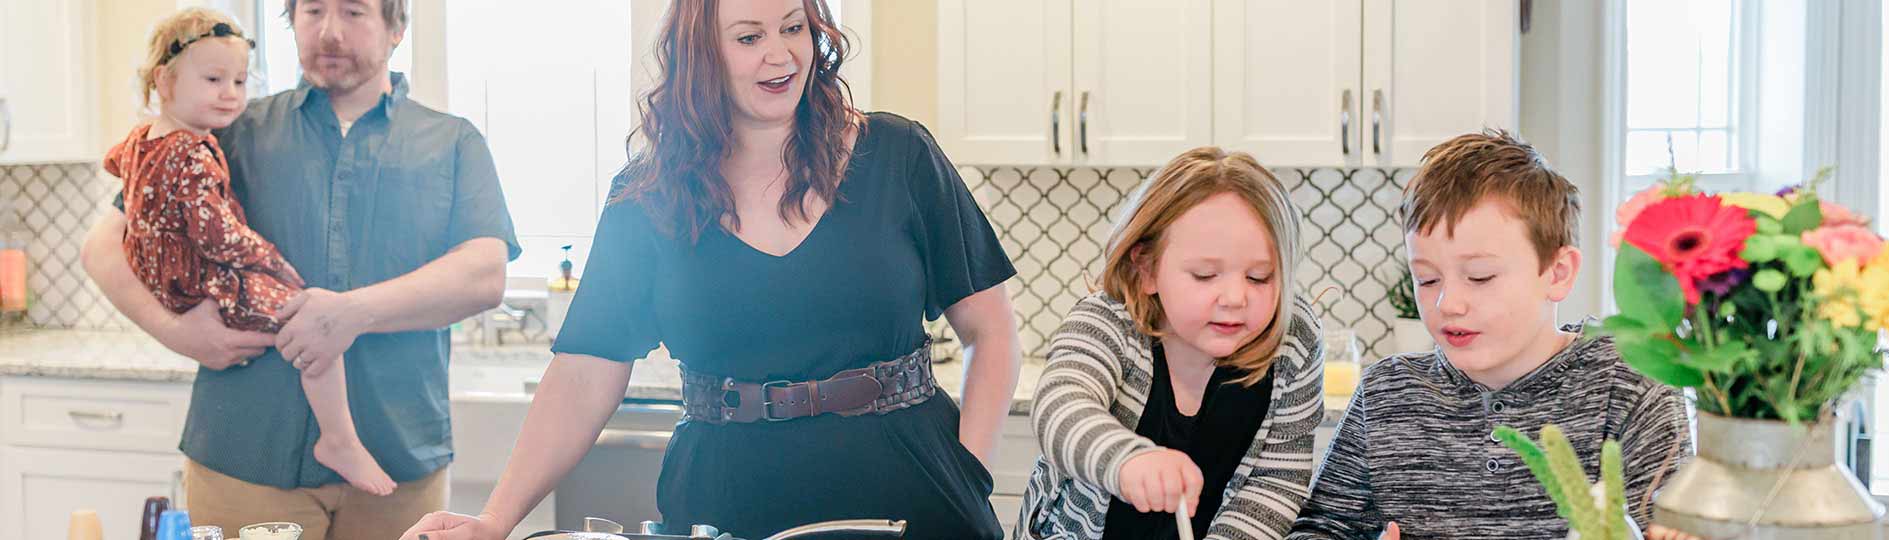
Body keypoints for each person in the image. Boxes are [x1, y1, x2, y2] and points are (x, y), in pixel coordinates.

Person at [401, 0, 1021, 538]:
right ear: (702, 56)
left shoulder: (900, 156)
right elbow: (586, 372)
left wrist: (970, 472)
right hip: (727, 503)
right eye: (749, 37)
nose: (780, 56)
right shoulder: (648, 198)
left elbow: (991, 331)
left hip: (914, 497)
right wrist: (494, 520)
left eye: (794, 28)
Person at [80, 0, 520, 537]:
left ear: (397, 28)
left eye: (354, 12)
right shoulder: (230, 129)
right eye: (312, 11)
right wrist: (178, 332)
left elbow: (483, 274)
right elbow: (103, 247)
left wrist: (351, 313)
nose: (329, 32)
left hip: (397, 458)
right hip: (244, 453)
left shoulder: (453, 142)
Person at [1285, 130, 1690, 540]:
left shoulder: (1630, 384)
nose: (1448, 303)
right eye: (1426, 279)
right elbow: (1318, 529)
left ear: (1557, 272)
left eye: (1480, 277)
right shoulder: (1387, 392)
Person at [103, 7, 396, 497]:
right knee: (314, 322)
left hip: (167, 275)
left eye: (238, 81)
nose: (230, 94)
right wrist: (272, 261)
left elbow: (116, 166)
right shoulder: (195, 153)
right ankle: (340, 439)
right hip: (205, 278)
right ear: (165, 81)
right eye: (214, 79)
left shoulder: (141, 141)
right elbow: (219, 235)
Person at [1016, 147, 1326, 539]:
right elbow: (1061, 407)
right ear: (1146, 268)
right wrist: (1126, 461)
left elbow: (1276, 484)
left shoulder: (1293, 339)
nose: (1234, 297)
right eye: (1204, 275)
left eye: (1260, 277)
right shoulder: (1107, 322)